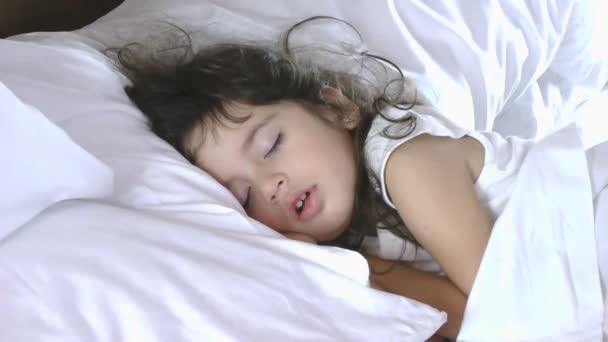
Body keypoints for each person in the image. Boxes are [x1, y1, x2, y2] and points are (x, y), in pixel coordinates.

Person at [111, 18, 606, 340]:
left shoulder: (404, 157)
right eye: (244, 196)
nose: (271, 185)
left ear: (337, 108)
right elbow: (463, 319)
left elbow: (516, 307)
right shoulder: (357, 252)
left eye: (270, 145)